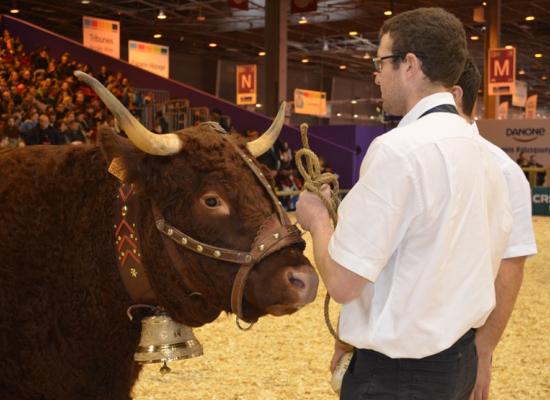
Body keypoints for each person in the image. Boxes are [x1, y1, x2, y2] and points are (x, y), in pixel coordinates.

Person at [296, 7, 512, 400]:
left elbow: (344, 282)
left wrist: (317, 220)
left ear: (409, 65)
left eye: (381, 62)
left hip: (398, 379)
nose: (376, 75)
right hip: (458, 363)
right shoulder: (486, 155)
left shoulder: (398, 150)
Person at [450, 58, 537, 400]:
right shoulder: (401, 154)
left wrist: (483, 351)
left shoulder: (502, 170)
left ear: (454, 96)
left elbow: (510, 266)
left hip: (458, 344)